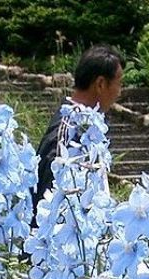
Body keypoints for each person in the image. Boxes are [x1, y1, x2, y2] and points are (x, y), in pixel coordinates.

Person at [33, 44, 125, 214]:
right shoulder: (67, 128)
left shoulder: (89, 123)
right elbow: (50, 190)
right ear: (101, 84)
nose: (119, 92)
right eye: (119, 84)